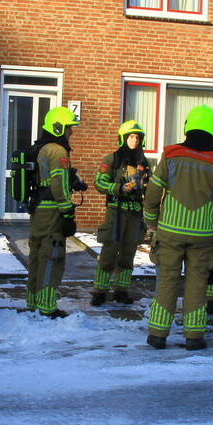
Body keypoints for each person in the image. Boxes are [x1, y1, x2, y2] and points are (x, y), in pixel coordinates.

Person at [142, 105, 213, 350]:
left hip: (170, 232)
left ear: (187, 126)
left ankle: (158, 335)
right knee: (197, 285)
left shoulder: (171, 155)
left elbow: (153, 192)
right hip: (203, 236)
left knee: (167, 282)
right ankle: (194, 337)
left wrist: (151, 222)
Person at [26, 106, 81, 319]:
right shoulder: (58, 150)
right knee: (52, 256)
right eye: (69, 128)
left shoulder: (42, 148)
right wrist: (67, 212)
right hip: (52, 211)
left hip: (39, 208)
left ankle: (33, 302)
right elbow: (58, 183)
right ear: (58, 128)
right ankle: (48, 307)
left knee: (37, 256)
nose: (71, 132)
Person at [90, 120, 151, 306]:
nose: (135, 141)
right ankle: (100, 291)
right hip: (116, 211)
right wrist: (118, 187)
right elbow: (99, 183)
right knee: (109, 251)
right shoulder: (111, 160)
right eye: (131, 137)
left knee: (128, 253)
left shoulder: (143, 162)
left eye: (137, 137)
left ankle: (121, 291)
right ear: (123, 138)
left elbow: (149, 186)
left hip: (135, 213)